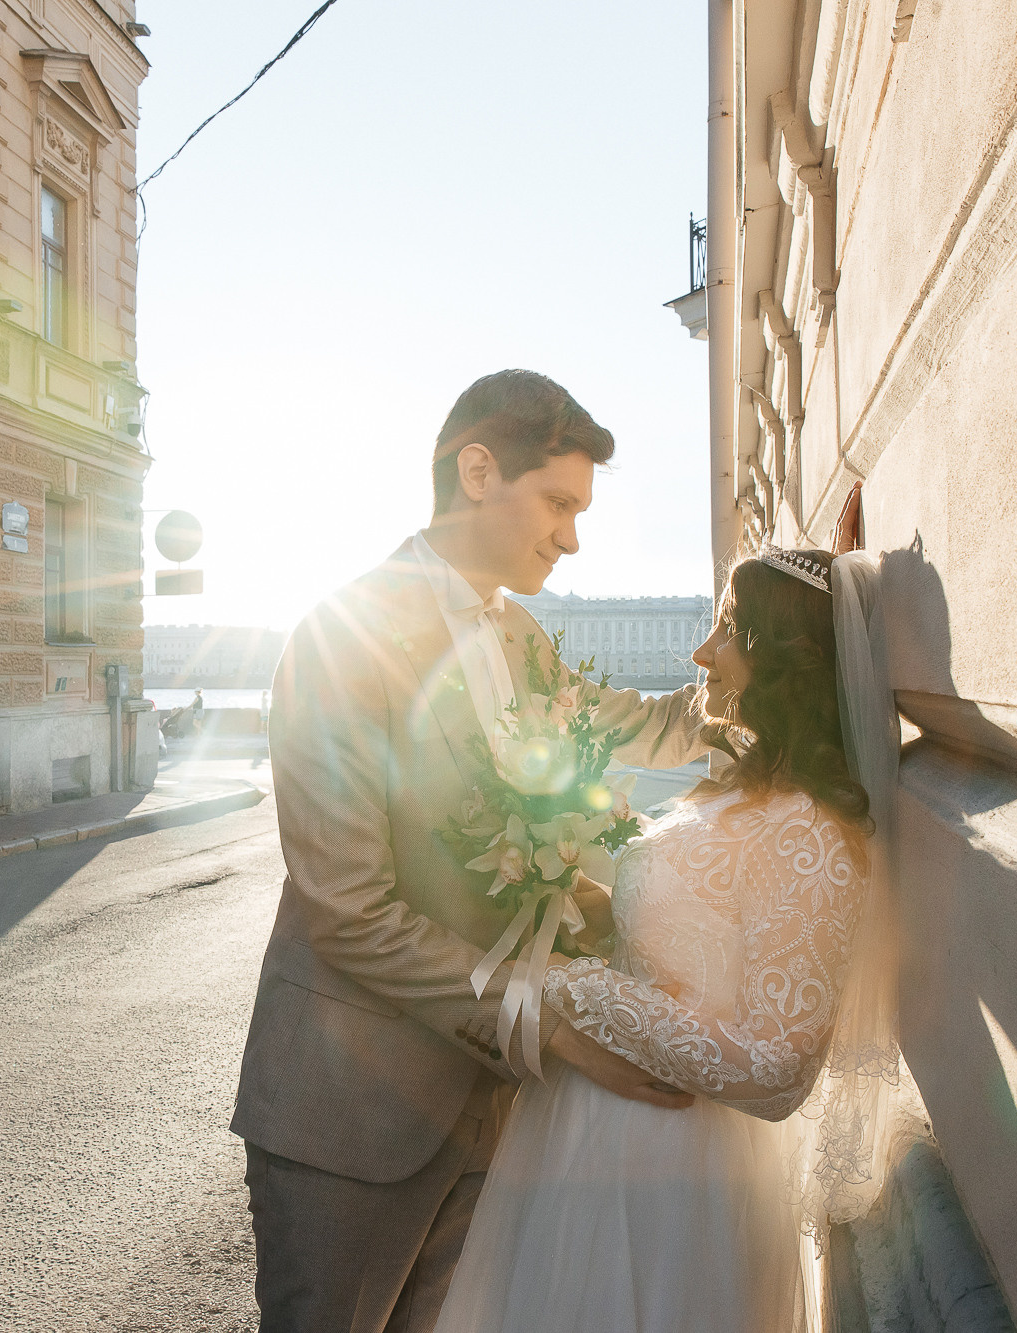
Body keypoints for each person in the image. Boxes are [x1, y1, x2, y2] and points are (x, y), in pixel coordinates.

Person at [232, 370, 711, 1333]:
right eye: (559, 502)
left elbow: (640, 726)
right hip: (349, 1115)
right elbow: (349, 911)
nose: (571, 536)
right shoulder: (341, 636)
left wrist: (781, 667)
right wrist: (547, 1023)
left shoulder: (520, 633)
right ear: (479, 470)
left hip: (491, 1116)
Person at [432, 544, 904, 1333]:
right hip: (588, 1140)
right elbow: (696, 934)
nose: (700, 652)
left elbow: (777, 1069)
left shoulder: (815, 832)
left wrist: (568, 988)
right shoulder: (744, 794)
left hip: (671, 1169)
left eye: (727, 628)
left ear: (784, 658)